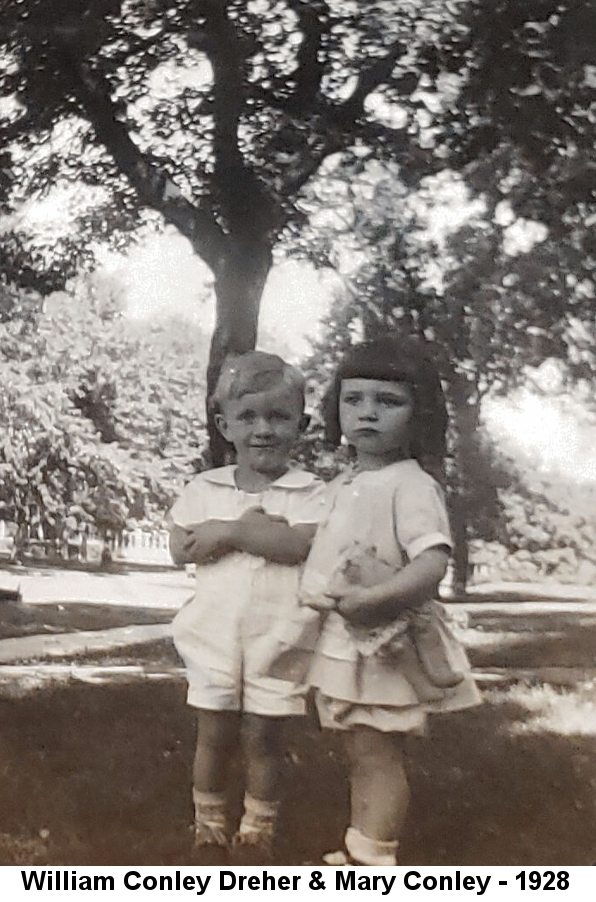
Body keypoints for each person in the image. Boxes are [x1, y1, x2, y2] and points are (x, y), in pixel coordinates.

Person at [298, 335, 481, 866]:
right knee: (361, 747)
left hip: (386, 641)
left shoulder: (411, 485)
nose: (367, 414)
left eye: (388, 401)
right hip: (349, 638)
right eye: (353, 400)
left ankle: (374, 858)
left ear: (418, 412)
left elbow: (431, 564)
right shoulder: (345, 483)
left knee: (379, 751)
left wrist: (376, 597)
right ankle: (362, 844)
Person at [169, 351, 327, 865]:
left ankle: (258, 824)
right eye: (249, 417)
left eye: (279, 417)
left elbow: (301, 547)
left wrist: (231, 531)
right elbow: (181, 548)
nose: (263, 429)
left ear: (300, 425)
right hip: (213, 634)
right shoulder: (204, 488)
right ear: (224, 425)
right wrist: (260, 533)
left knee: (265, 736)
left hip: (281, 637)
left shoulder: (311, 494)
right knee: (212, 732)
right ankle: (209, 819)